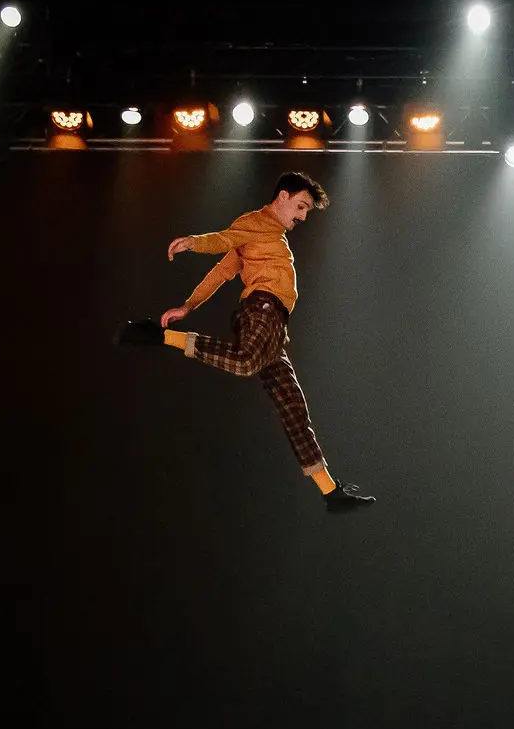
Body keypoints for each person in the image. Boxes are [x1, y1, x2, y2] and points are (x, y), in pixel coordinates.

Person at [117, 170, 375, 511]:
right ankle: (160, 336)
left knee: (293, 408)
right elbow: (223, 240)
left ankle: (330, 492)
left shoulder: (268, 235)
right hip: (262, 310)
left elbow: (223, 271)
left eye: (307, 211)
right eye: (300, 206)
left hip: (275, 330)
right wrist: (194, 242)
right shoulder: (258, 221)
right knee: (243, 362)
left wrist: (188, 304)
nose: (302, 216)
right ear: (282, 196)